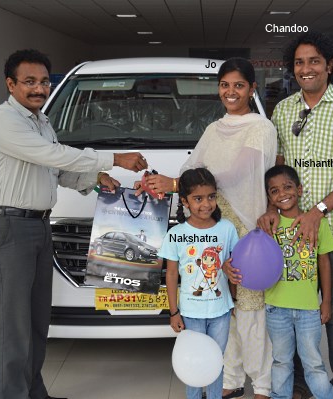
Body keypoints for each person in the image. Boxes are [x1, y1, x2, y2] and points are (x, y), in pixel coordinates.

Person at [0, 49, 148, 399]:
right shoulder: (4, 121)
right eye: (29, 82)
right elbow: (52, 155)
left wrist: (95, 178)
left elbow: (53, 171)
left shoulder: (40, 121)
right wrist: (114, 158)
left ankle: (34, 392)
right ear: (11, 84)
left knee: (37, 321)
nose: (38, 88)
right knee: (13, 327)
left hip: (39, 228)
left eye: (43, 81)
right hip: (10, 229)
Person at [139, 57, 276, 399]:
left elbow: (235, 173)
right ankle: (229, 378)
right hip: (209, 227)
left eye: (239, 85)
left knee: (249, 311)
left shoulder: (261, 127)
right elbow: (191, 168)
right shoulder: (214, 129)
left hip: (243, 230)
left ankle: (261, 383)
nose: (231, 92)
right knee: (221, 312)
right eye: (225, 85)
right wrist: (158, 183)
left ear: (252, 89)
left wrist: (176, 184)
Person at [257, 31, 333, 399]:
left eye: (314, 61)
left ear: (330, 65)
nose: (306, 69)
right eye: (299, 62)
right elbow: (278, 169)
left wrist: (318, 211)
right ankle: (297, 383)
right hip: (288, 231)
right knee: (289, 304)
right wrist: (273, 208)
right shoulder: (284, 109)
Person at [159, 168, 238, 399]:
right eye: (198, 198)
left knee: (215, 362)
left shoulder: (227, 229)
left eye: (211, 196)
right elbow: (172, 275)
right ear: (184, 201)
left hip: (220, 311)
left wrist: (232, 298)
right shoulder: (177, 234)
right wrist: (174, 312)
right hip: (190, 312)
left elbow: (233, 265)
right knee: (193, 365)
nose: (206, 204)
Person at [262, 165, 333, 399]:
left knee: (313, 363)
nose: (282, 193)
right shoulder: (268, 226)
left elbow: (324, 263)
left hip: (308, 308)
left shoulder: (316, 223)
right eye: (274, 191)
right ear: (269, 198)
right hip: (276, 307)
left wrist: (325, 302)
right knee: (281, 362)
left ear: (300, 190)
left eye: (287, 187)